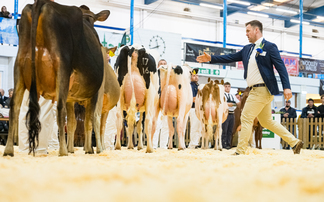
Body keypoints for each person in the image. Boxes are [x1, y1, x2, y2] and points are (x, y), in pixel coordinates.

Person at [196, 20, 303, 155]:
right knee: (267, 121)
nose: (246, 34)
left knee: (246, 118)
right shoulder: (247, 49)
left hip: (263, 89)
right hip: (254, 90)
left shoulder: (269, 47)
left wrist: (287, 87)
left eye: (248, 31)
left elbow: (281, 67)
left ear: (256, 30)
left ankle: (240, 151)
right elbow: (230, 57)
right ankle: (295, 142)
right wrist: (211, 58)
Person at [152, 59, 169, 149]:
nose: (163, 65)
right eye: (161, 64)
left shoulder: (170, 76)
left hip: (167, 102)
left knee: (166, 125)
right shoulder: (154, 75)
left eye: (164, 64)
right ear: (157, 66)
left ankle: (163, 145)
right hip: (157, 101)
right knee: (156, 123)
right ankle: (154, 145)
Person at [222, 82, 240, 149]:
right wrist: (227, 104)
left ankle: (228, 144)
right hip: (225, 113)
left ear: (230, 87)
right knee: (224, 130)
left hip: (232, 113)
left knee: (230, 130)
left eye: (228, 86)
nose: (227, 88)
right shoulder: (222, 95)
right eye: (226, 86)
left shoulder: (232, 96)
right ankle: (223, 144)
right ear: (224, 87)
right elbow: (221, 104)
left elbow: (238, 103)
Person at [188, 68, 201, 149]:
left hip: (198, 108)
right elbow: (192, 98)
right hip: (192, 108)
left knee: (199, 128)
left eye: (197, 75)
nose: (196, 77)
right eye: (194, 75)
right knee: (194, 127)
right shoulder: (190, 86)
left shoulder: (198, 86)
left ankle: (195, 143)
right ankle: (192, 145)